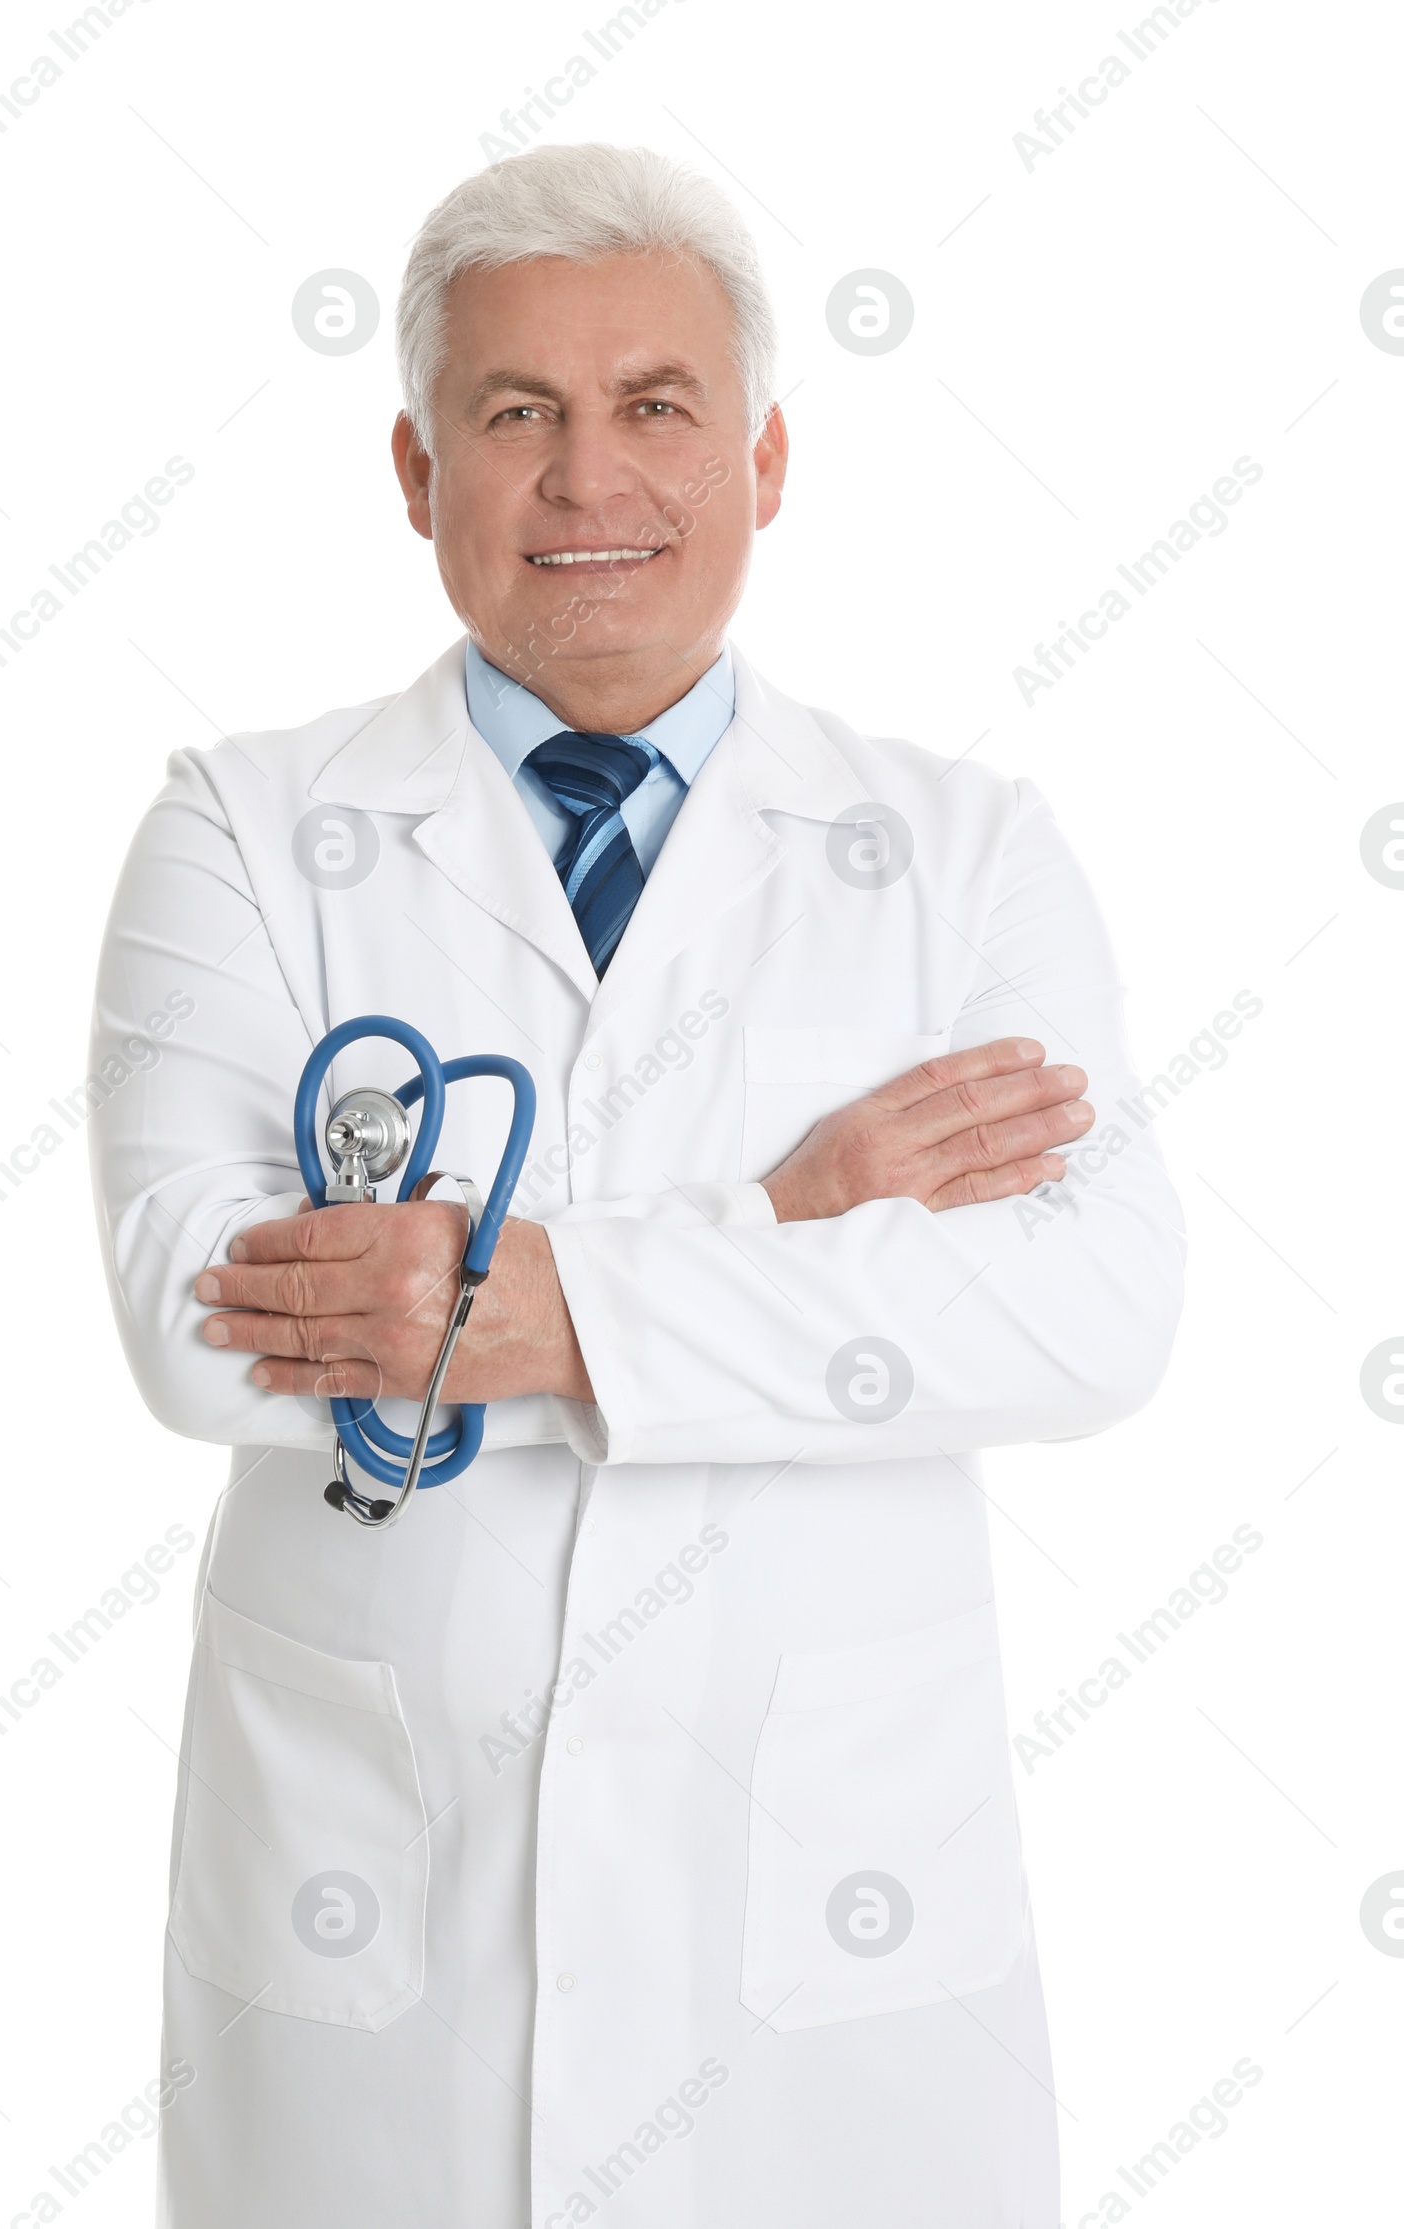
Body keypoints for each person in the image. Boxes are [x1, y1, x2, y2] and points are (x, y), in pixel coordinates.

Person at [90, 141, 1184, 2229]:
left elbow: (1088, 1309)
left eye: (654, 406)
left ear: (764, 458)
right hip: (376, 1940)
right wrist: (784, 1225)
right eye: (515, 415)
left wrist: (536, 1304)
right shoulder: (242, 831)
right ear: (415, 474)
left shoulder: (958, 854)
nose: (589, 479)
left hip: (828, 1955)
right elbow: (199, 1321)